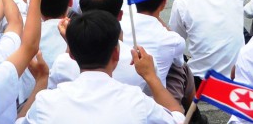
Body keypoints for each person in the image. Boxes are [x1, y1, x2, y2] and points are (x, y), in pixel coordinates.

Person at [17, 11, 184, 123]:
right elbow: (178, 119)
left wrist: (41, 81)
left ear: (71, 54)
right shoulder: (137, 101)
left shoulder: (46, 102)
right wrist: (151, 76)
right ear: (116, 54)